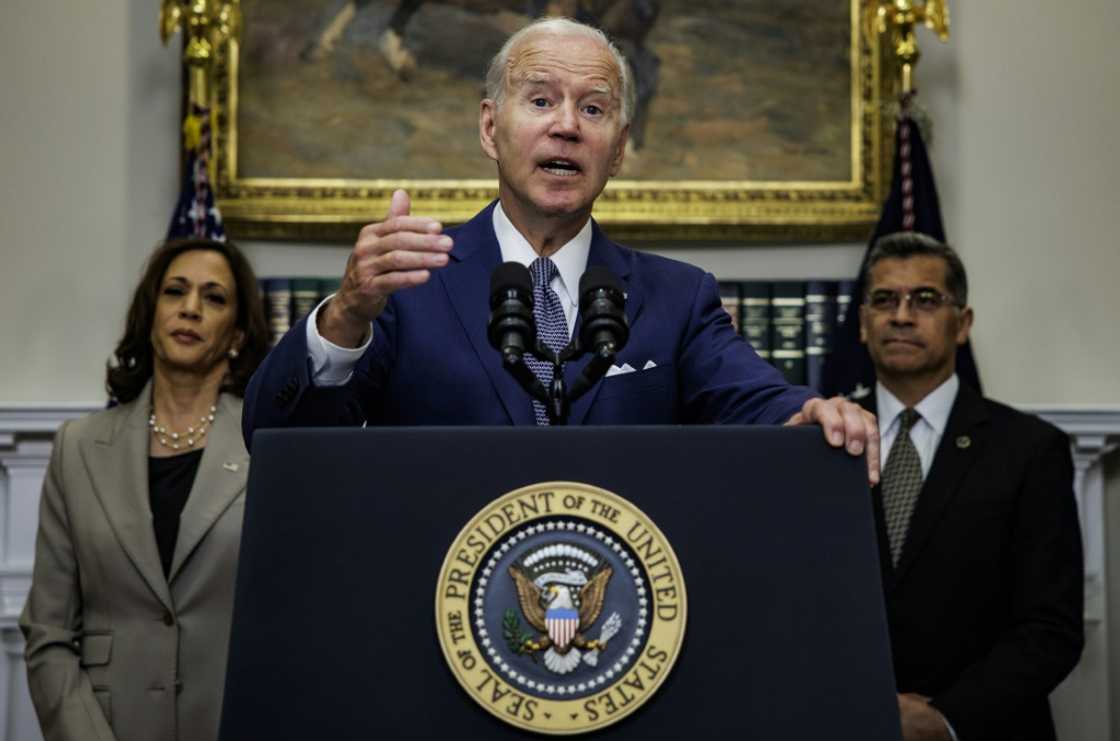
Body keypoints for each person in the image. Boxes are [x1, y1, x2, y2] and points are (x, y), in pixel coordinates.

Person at [243, 17, 878, 478]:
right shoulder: (410, 283)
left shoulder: (676, 298)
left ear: (620, 148)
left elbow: (759, 400)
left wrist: (814, 412)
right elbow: (276, 437)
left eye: (594, 109)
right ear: (491, 128)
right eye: (541, 100)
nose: (567, 125)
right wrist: (346, 316)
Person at [20, 238, 268, 741]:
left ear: (237, 335)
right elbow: (49, 635)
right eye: (174, 292)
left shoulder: (265, 447)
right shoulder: (79, 448)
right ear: (150, 312)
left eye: (214, 297)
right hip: (109, 731)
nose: (190, 308)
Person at [854, 232, 1083, 741]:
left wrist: (947, 720)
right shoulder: (823, 442)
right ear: (863, 323)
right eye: (884, 300)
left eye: (926, 300)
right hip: (847, 724)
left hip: (985, 732)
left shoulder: (1029, 449)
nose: (902, 316)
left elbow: (1051, 626)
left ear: (964, 324)